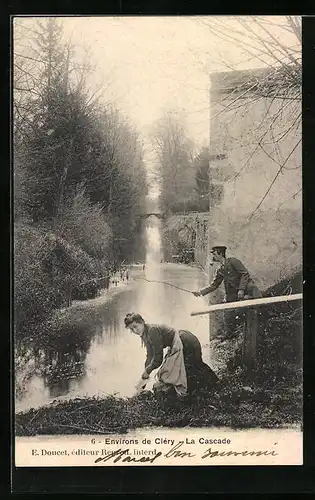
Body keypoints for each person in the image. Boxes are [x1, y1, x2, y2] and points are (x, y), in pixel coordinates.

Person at [124, 313, 219, 398]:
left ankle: (212, 387)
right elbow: (150, 355)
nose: (135, 331)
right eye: (132, 329)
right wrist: (145, 375)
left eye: (135, 326)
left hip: (185, 341)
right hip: (180, 341)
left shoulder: (152, 331)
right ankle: (212, 386)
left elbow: (158, 358)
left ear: (142, 322)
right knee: (192, 365)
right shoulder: (145, 334)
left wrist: (148, 371)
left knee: (190, 366)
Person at [193, 246, 262, 337]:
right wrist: (200, 292)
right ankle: (230, 334)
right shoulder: (220, 270)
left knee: (256, 308)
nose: (213, 257)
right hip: (234, 294)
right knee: (227, 312)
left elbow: (244, 274)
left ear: (220, 254)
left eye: (214, 254)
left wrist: (241, 289)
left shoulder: (233, 261)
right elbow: (214, 285)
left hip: (248, 289)